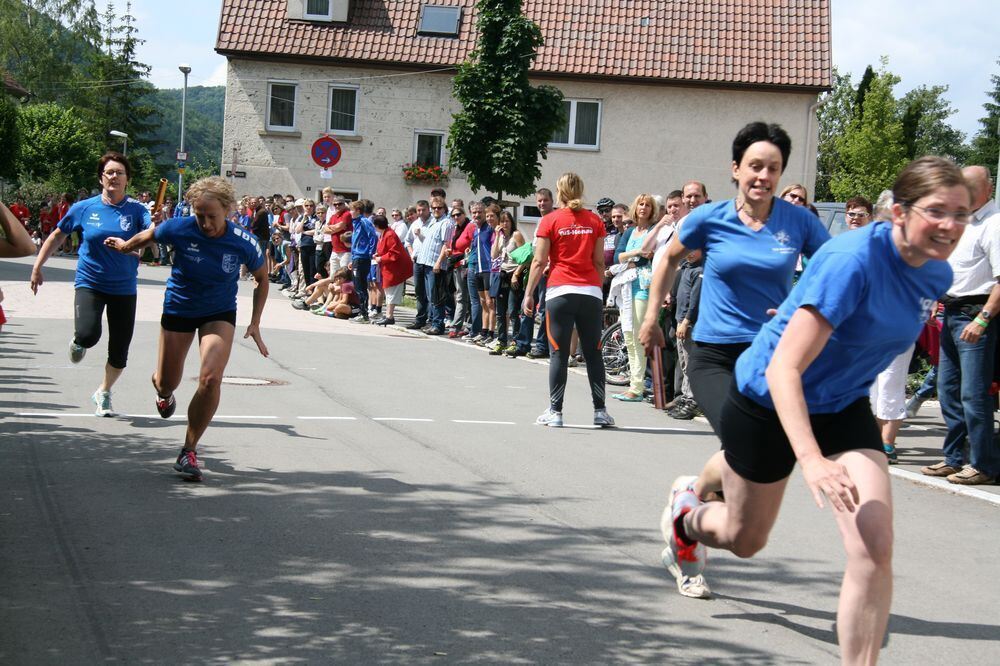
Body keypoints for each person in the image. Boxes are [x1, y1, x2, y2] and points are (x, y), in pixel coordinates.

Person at [658, 156, 969, 663]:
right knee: (744, 538)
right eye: (937, 211)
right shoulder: (853, 261)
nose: (950, 226)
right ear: (899, 212)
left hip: (842, 405)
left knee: (873, 546)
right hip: (766, 398)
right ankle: (687, 516)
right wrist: (812, 460)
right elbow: (785, 370)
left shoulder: (936, 274)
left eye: (961, 214)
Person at [638, 122, 831, 572]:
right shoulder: (711, 218)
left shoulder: (798, 222)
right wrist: (652, 316)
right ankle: (695, 516)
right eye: (755, 166)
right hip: (713, 354)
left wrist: (799, 305)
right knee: (743, 441)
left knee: (755, 450)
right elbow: (666, 257)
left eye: (774, 168)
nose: (763, 176)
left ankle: (691, 496)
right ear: (736, 169)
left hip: (770, 357)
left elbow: (832, 267)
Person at [104, 176, 269, 481]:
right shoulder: (179, 228)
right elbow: (151, 235)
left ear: (229, 210)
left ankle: (189, 449)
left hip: (218, 312)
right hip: (179, 307)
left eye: (212, 216)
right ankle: (163, 391)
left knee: (210, 379)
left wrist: (255, 321)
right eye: (199, 215)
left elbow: (262, 277)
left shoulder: (243, 241)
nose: (205, 223)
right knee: (167, 381)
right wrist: (125, 245)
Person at [29, 152, 152, 416]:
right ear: (101, 178)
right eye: (110, 172)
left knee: (119, 350)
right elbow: (56, 236)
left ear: (127, 180)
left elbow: (149, 240)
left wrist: (133, 244)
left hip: (124, 288)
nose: (114, 177)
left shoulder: (138, 211)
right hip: (91, 282)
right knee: (88, 335)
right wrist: (38, 266)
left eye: (120, 173)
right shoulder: (85, 208)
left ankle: (103, 392)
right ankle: (78, 341)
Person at [920, 165, 1000, 485]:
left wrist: (983, 319)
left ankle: (983, 464)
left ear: (986, 189)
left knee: (974, 394)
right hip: (951, 311)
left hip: (975, 314)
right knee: (948, 390)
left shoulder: (993, 224)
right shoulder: (964, 221)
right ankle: (955, 458)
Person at [523, 172, 614, 429]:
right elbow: (599, 261)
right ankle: (600, 411)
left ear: (559, 192)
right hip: (590, 293)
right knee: (593, 354)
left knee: (559, 354)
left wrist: (529, 293)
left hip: (559, 291)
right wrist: (596, 289)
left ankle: (556, 411)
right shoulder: (595, 220)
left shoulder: (550, 220)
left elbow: (540, 261)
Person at [612, 193, 660, 401]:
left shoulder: (653, 230)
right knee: (629, 336)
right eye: (641, 204)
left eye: (648, 205)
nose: (644, 208)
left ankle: (639, 387)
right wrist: (636, 253)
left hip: (644, 286)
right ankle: (634, 384)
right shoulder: (630, 231)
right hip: (627, 286)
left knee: (639, 337)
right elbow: (617, 256)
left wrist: (631, 258)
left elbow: (646, 259)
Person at [372, 214, 413, 326]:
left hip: (395, 268)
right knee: (389, 291)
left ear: (377, 225)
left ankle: (390, 316)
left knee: (391, 291)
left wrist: (381, 258)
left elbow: (394, 253)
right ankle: (389, 315)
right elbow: (385, 249)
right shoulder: (384, 233)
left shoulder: (389, 234)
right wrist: (378, 254)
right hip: (389, 267)